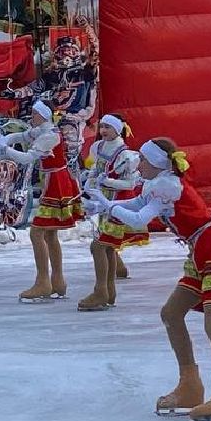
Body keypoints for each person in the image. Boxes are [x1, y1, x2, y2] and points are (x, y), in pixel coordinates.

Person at [89, 137, 211, 421]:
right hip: (201, 252)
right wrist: (104, 204)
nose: (139, 164)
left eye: (143, 160)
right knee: (171, 313)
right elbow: (135, 204)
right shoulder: (159, 184)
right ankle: (190, 385)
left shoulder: (167, 185)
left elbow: (139, 219)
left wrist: (109, 209)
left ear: (157, 163)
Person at [0, 99, 84, 302]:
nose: (32, 117)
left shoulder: (50, 136)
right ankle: (57, 281)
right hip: (54, 179)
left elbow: (28, 158)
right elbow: (22, 135)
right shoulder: (43, 131)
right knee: (50, 235)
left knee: (37, 233)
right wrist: (5, 139)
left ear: (43, 115)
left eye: (35, 114)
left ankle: (43, 281)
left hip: (55, 182)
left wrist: (5, 150)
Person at [80, 114, 145, 312]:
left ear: (118, 129)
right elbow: (94, 170)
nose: (103, 130)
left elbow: (131, 183)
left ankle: (101, 291)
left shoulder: (126, 155)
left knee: (99, 247)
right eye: (102, 126)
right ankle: (108, 292)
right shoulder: (98, 147)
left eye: (108, 127)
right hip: (102, 204)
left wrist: (107, 182)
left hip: (118, 205)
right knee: (106, 247)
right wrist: (89, 182)